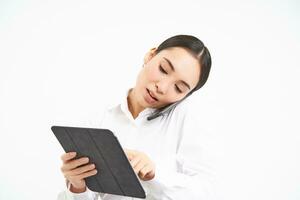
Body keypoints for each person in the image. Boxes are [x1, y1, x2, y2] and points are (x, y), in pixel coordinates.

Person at [57, 34, 215, 200]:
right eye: (163, 69)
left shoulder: (188, 120)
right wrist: (77, 187)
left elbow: (205, 192)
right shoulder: (98, 118)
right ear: (150, 55)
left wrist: (155, 174)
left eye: (179, 88)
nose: (162, 87)